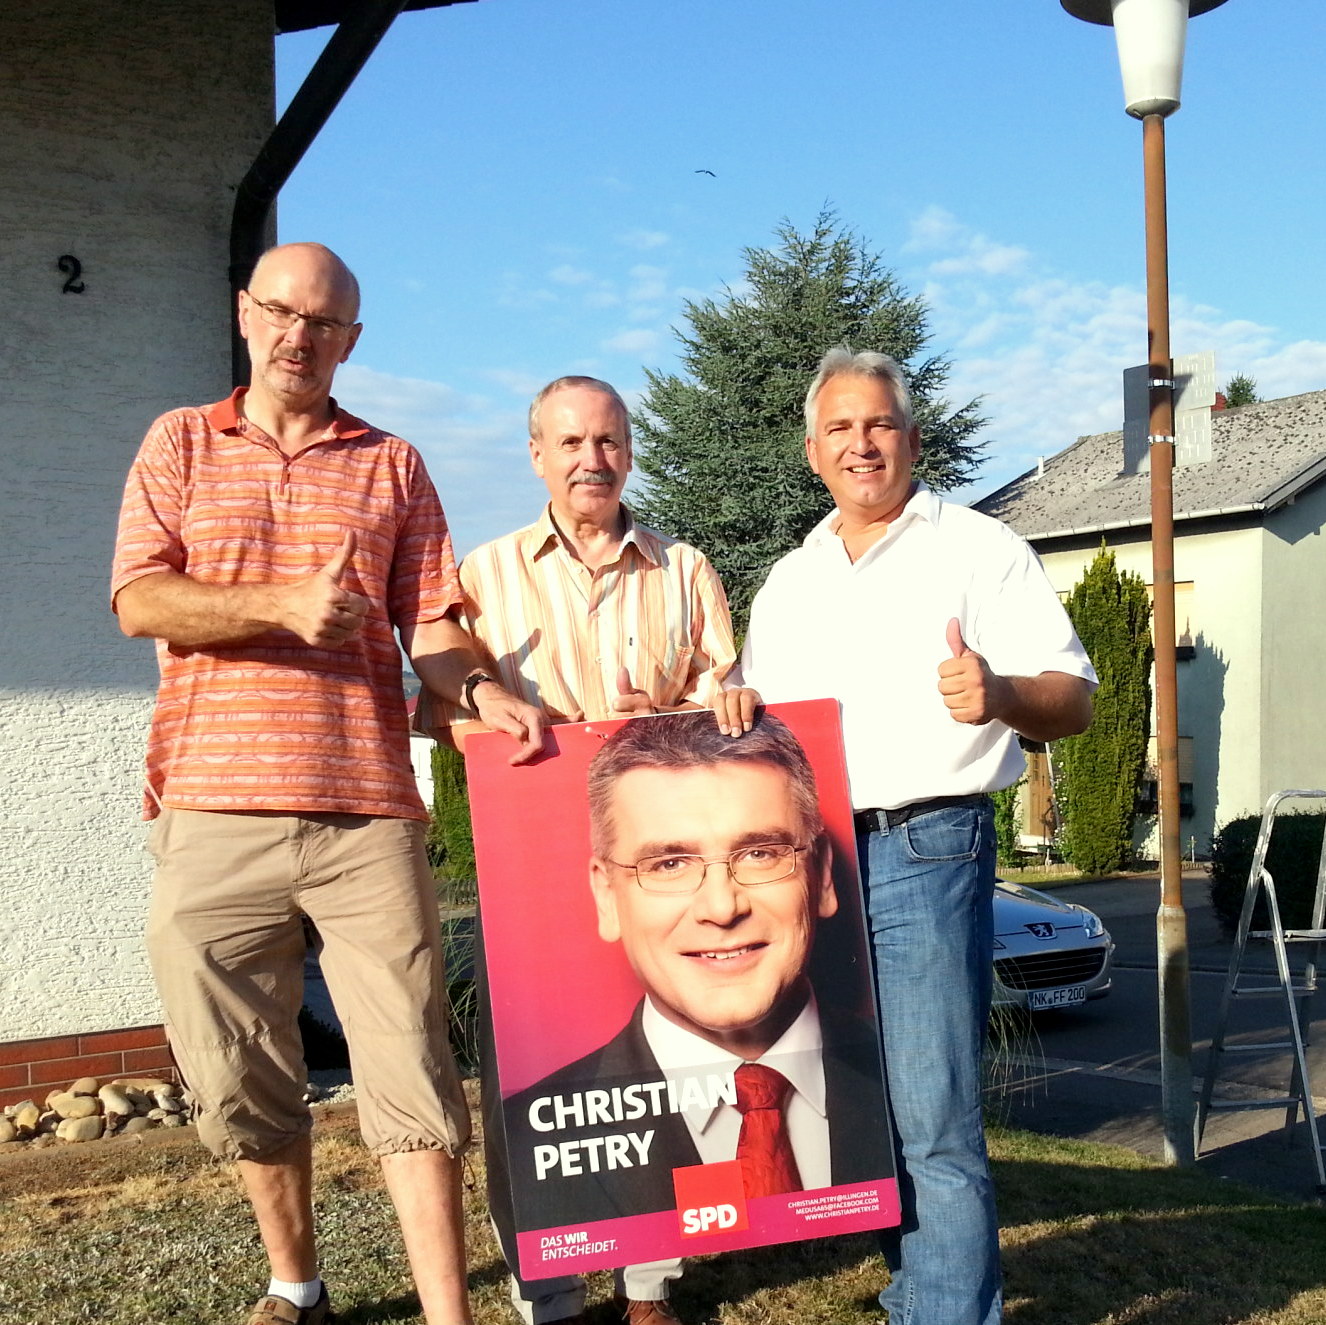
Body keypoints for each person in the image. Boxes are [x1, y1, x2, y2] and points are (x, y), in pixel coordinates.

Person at [111, 241, 545, 1325]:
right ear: (246, 314)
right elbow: (140, 599)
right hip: (210, 808)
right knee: (236, 1069)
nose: (300, 335)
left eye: (326, 322)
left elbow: (434, 622)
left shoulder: (393, 462)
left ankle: (449, 1315)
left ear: (353, 340)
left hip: (365, 812)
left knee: (411, 1068)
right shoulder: (177, 442)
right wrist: (277, 607)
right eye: (282, 312)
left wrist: (479, 691)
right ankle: (295, 1282)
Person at [715, 348, 1096, 1325]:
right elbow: (762, 726)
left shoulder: (978, 548)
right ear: (813, 451)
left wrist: (1001, 693)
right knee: (867, 1114)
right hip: (816, 863)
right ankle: (919, 1293)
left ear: (912, 438)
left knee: (933, 1118)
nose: (861, 442)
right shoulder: (792, 580)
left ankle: (948, 1311)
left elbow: (1075, 699)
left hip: (929, 846)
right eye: (840, 428)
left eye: (879, 422)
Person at [416, 375, 736, 1325]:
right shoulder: (483, 574)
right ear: (537, 457)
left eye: (606, 441)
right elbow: (433, 707)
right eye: (569, 443)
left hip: (659, 869)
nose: (590, 460)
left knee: (662, 1061)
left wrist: (687, 716)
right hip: (532, 871)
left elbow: (735, 702)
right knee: (535, 1078)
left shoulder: (685, 569)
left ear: (629, 449)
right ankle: (545, 1289)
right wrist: (480, 705)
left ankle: (649, 1284)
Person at [500, 710, 892, 1232]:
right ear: (606, 896)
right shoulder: (531, 1133)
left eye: (760, 853)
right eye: (668, 864)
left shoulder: (907, 1087)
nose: (721, 907)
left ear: (820, 876)